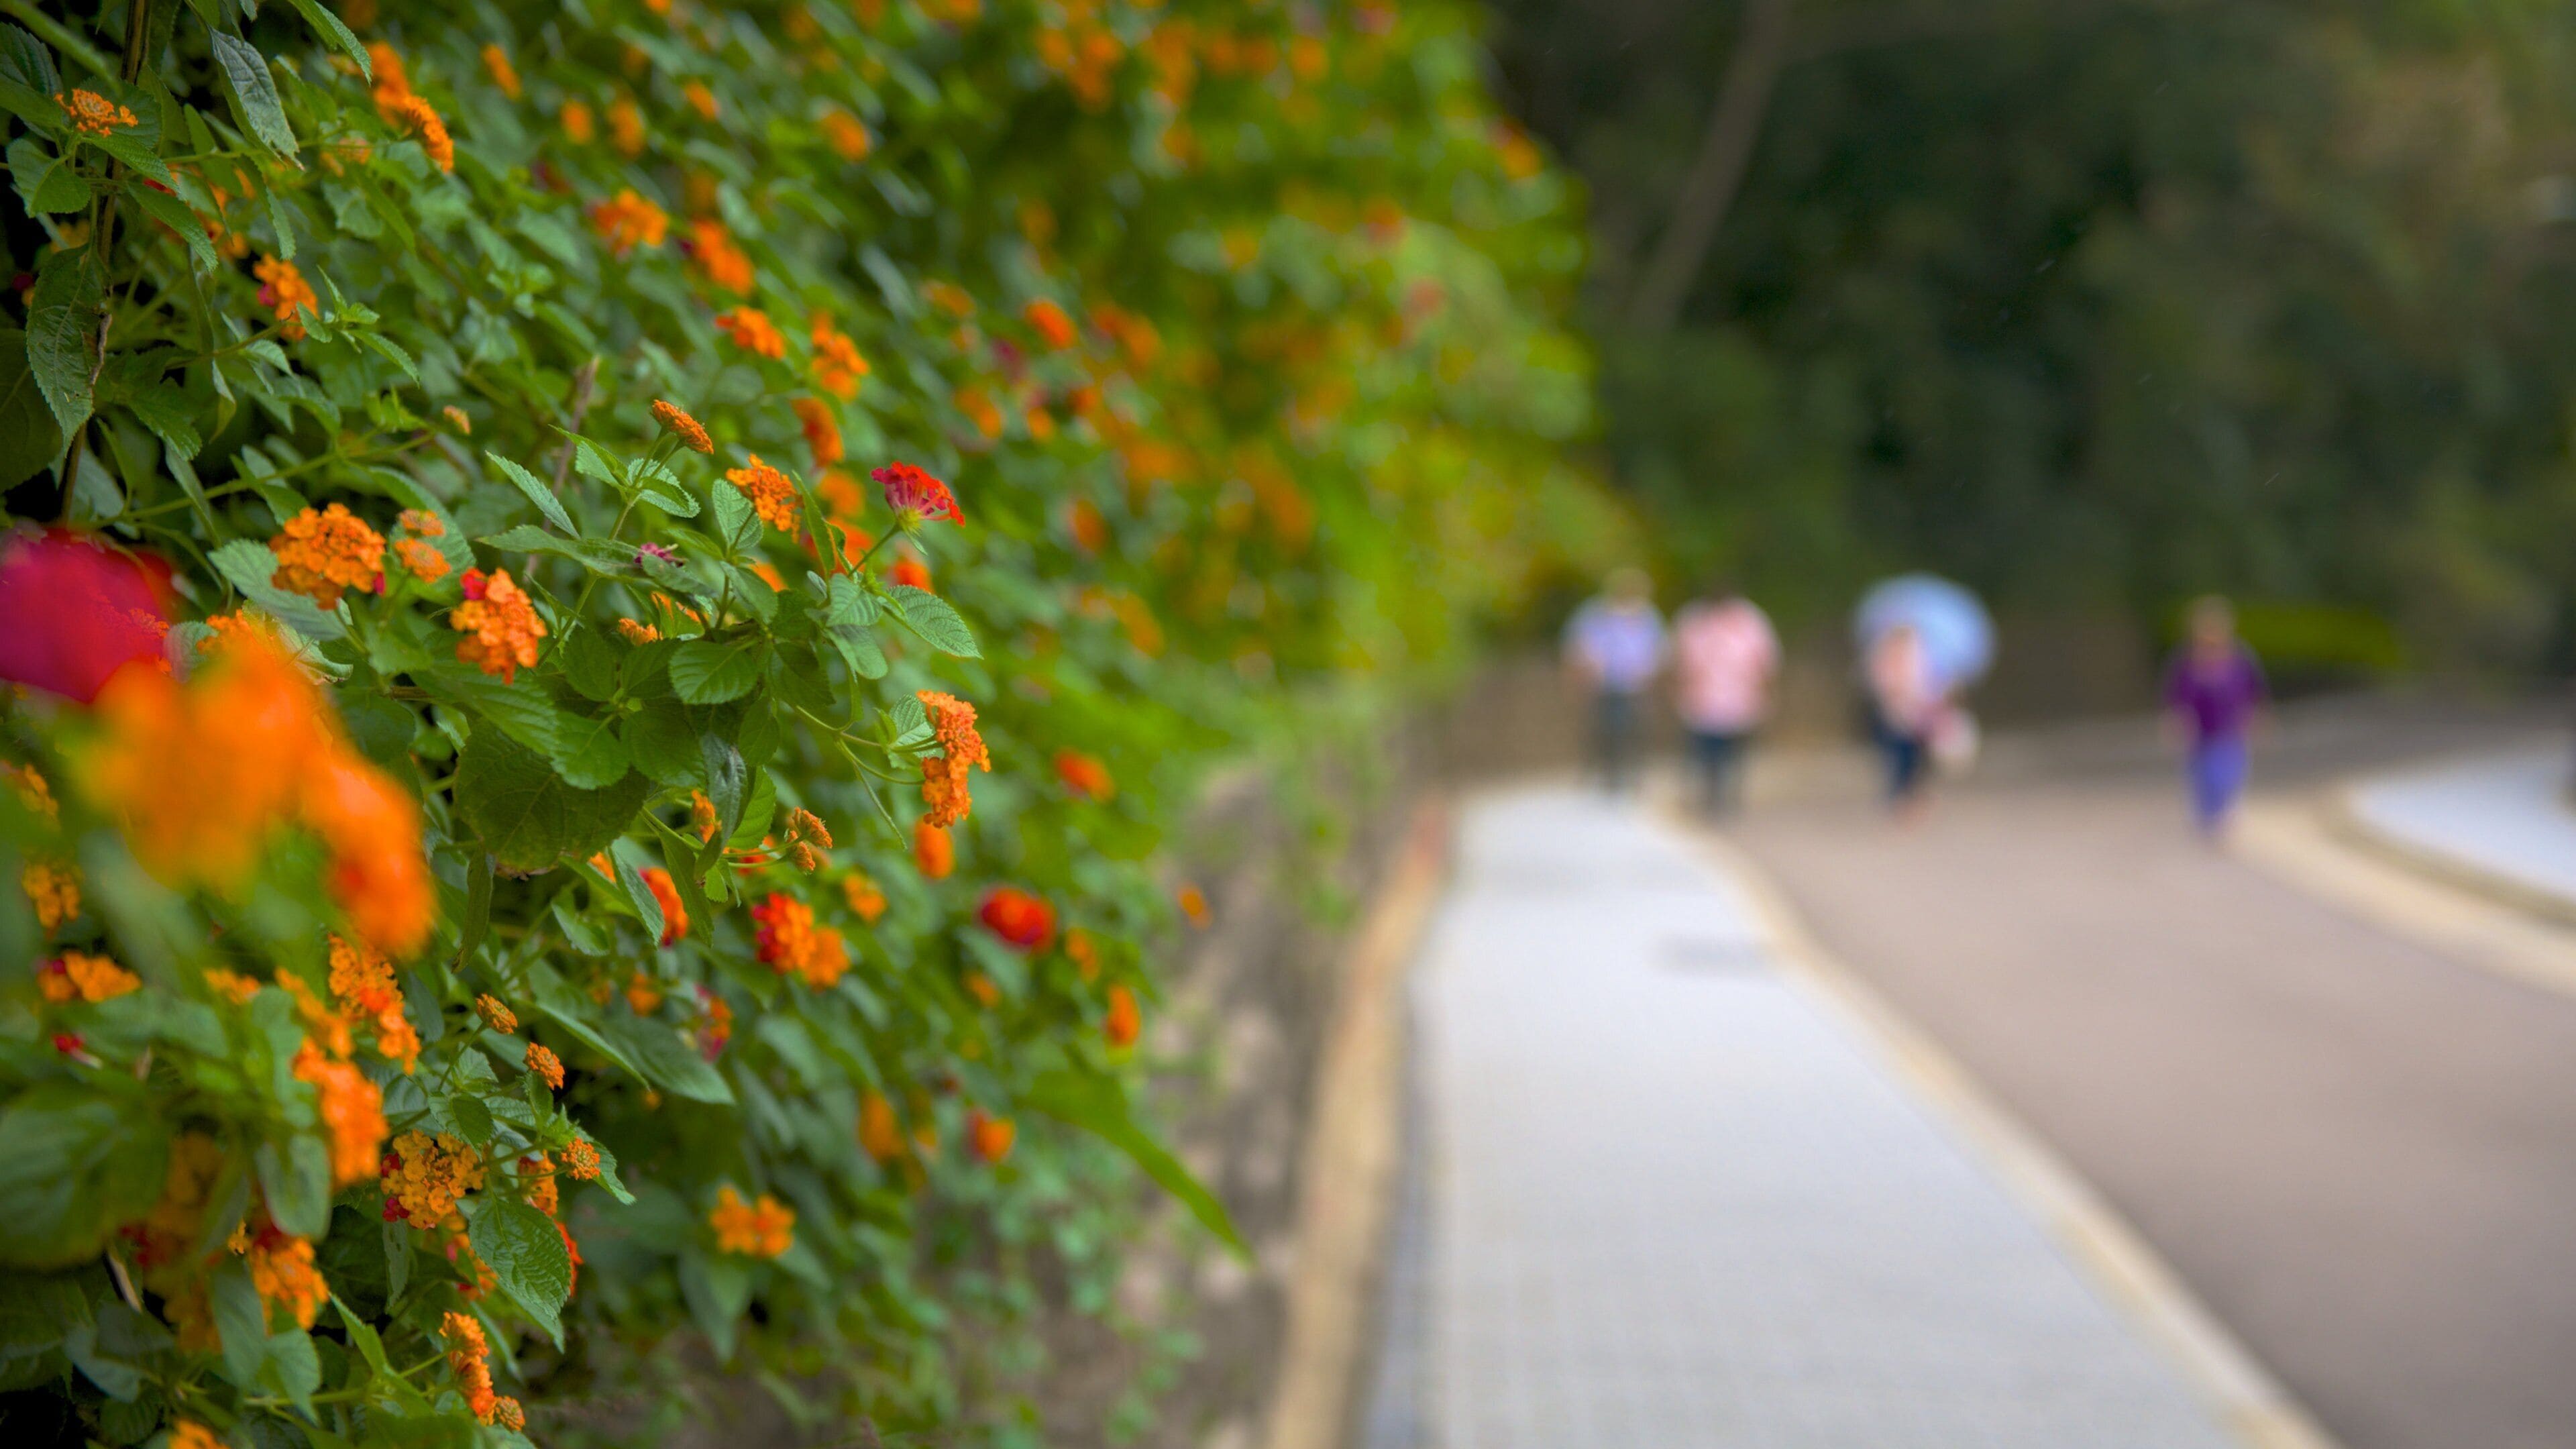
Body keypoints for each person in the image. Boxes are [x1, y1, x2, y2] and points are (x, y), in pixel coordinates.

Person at [1672, 581, 1778, 816]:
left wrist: (1763, 689)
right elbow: (1683, 660)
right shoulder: (1694, 621)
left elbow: (1765, 659)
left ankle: (1729, 797)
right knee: (1708, 751)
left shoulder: (1750, 620)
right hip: (1704, 699)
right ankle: (1712, 796)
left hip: (1740, 698)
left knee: (1735, 752)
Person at [2164, 596, 2267, 839]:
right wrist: (2176, 721)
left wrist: (2257, 717)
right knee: (2203, 780)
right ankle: (2207, 818)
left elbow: (2254, 691)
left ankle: (2226, 816)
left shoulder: (2240, 659)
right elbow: (2176, 696)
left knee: (2228, 775)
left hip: (2230, 731)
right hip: (2201, 733)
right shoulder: (2187, 661)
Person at [1564, 568, 1665, 794]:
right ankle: (1604, 774)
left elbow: (1658, 650)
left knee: (1635, 730)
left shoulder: (1648, 617)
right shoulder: (1594, 613)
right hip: (1602, 684)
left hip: (1635, 686)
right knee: (1602, 730)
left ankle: (1632, 775)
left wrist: (1648, 673)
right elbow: (1578, 645)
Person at [1865, 621, 1940, 817]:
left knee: (1914, 760)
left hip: (1916, 717)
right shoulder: (1885, 660)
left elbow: (1927, 687)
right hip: (1894, 717)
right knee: (1900, 759)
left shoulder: (1918, 660)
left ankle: (1910, 798)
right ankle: (1901, 800)